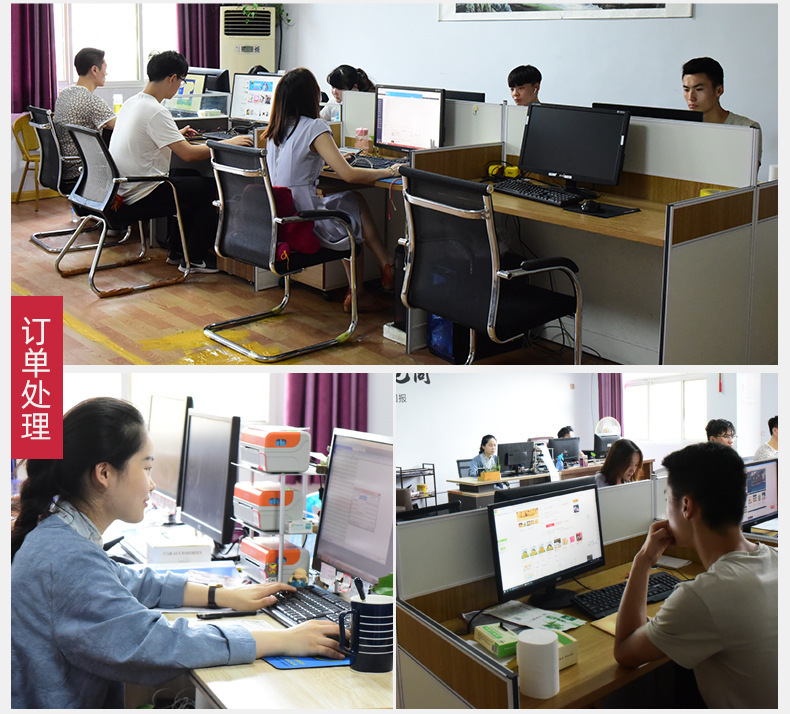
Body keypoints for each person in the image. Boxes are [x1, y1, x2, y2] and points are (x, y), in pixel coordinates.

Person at [11, 397, 343, 709]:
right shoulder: (66, 559)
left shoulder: (63, 534)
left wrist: (221, 595)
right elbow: (158, 643)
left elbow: (125, 580)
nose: (152, 484)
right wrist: (283, 640)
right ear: (104, 474)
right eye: (146, 468)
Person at [613, 442, 778, 708]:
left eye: (668, 500)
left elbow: (625, 651)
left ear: (686, 506)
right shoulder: (777, 559)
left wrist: (643, 560)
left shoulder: (703, 598)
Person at [262, 67, 398, 312]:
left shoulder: (274, 130)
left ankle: (373, 275)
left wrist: (328, 159)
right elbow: (349, 175)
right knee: (351, 212)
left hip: (280, 217)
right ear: (311, 97)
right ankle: (371, 278)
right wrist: (389, 171)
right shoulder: (314, 127)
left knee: (351, 201)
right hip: (304, 220)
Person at [109, 51, 252, 272]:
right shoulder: (156, 110)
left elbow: (147, 135)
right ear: (172, 78)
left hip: (123, 188)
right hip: (142, 192)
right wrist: (229, 143)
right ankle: (194, 258)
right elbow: (189, 154)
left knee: (190, 178)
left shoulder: (132, 102)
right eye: (181, 81)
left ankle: (177, 251)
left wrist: (176, 134)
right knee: (211, 189)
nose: (179, 87)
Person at [681, 57, 761, 164]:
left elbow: (747, 172)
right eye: (686, 90)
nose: (691, 97)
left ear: (719, 90)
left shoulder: (747, 128)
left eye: (699, 89)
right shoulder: (679, 128)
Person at [53, 47, 117, 181]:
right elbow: (119, 126)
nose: (106, 73)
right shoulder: (90, 100)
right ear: (94, 70)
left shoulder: (65, 93)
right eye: (105, 68)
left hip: (65, 166)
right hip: (83, 168)